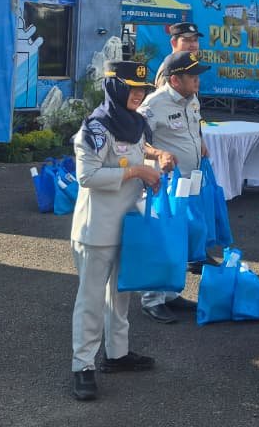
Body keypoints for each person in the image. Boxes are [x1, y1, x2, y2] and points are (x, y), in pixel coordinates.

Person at [70, 61, 174, 401]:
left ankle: (117, 354)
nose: (138, 94)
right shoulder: (96, 127)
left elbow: (140, 152)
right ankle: (82, 366)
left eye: (142, 89)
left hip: (129, 226)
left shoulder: (137, 124)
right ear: (114, 87)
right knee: (91, 299)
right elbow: (88, 176)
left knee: (121, 295)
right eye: (131, 88)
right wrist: (136, 173)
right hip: (96, 229)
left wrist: (157, 162)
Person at [137, 52, 211, 324]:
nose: (197, 80)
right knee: (161, 239)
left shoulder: (192, 100)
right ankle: (151, 298)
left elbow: (193, 130)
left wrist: (200, 143)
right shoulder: (154, 103)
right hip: (164, 184)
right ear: (175, 79)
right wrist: (159, 154)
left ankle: (169, 292)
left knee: (180, 236)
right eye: (192, 76)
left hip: (189, 182)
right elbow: (138, 141)